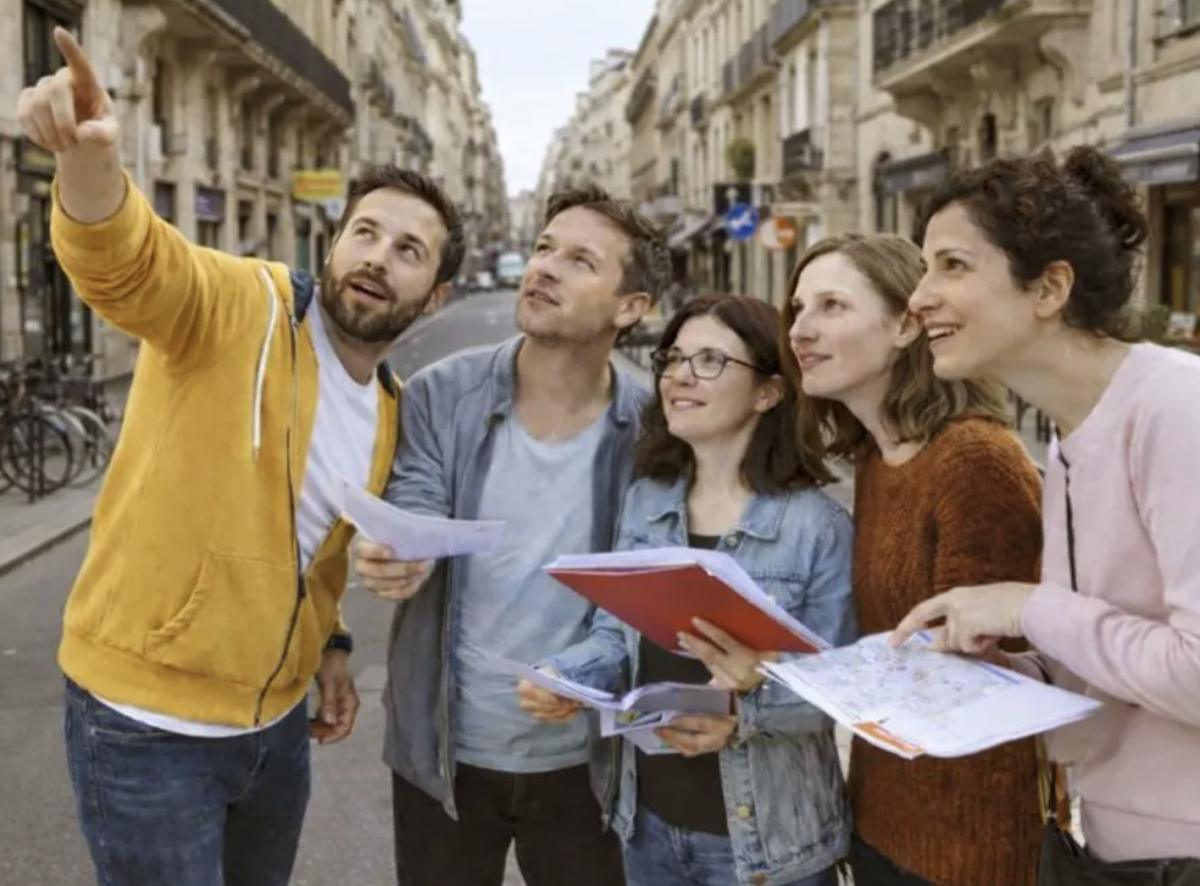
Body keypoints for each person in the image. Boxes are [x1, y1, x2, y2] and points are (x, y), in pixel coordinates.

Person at [17, 28, 462, 886]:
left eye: (408, 251)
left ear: (435, 294)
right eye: (365, 233)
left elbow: (317, 550)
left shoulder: (390, 408)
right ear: (334, 243)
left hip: (275, 733)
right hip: (146, 728)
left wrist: (332, 645)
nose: (377, 258)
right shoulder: (241, 304)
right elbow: (129, 266)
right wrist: (88, 161)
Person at [352, 185, 672, 886]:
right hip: (443, 753)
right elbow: (415, 502)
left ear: (631, 307)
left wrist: (589, 673)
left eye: (580, 261)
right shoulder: (440, 392)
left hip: (587, 761)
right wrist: (395, 552)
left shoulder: (655, 428)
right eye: (543, 248)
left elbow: (648, 587)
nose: (544, 267)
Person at [894, 147, 1200, 867]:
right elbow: (1111, 658)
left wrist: (1028, 607)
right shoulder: (1070, 437)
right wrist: (1004, 668)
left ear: (1049, 287)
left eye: (953, 265)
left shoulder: (1176, 409)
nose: (919, 297)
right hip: (1121, 851)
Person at [517, 292, 856, 886]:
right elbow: (616, 635)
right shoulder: (648, 500)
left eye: (710, 361)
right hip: (649, 830)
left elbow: (843, 690)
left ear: (768, 392)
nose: (679, 376)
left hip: (771, 848)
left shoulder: (815, 527)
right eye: (673, 358)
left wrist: (745, 712)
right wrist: (567, 676)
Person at [784, 233, 1044, 884]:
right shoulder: (877, 458)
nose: (800, 330)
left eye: (832, 306)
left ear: (905, 325)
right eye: (797, 308)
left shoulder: (974, 462)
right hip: (882, 816)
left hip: (971, 842)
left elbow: (996, 682)